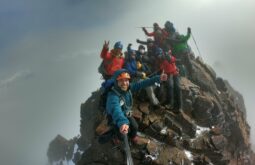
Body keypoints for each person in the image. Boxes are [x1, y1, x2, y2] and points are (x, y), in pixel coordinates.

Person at [106, 69, 167, 143]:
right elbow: (115, 109)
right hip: (115, 117)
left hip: (126, 112)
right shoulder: (113, 96)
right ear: (116, 82)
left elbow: (143, 83)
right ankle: (116, 137)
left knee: (135, 126)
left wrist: (158, 78)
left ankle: (133, 136)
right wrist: (122, 122)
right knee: (120, 133)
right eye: (121, 80)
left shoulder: (128, 89)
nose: (124, 83)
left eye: (126, 80)